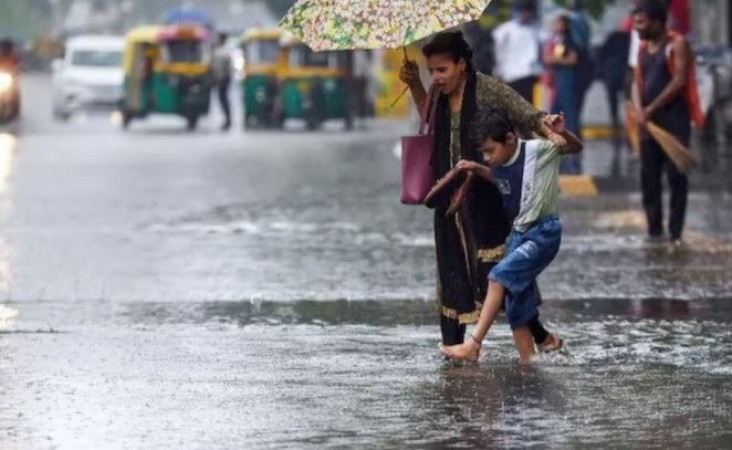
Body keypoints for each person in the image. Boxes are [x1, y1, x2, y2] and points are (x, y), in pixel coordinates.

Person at [398, 31, 564, 353]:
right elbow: (430, 123)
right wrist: (416, 84)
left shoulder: (488, 89)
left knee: (501, 273)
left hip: (487, 196)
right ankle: (454, 350)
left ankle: (540, 336)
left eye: (442, 70)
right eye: (431, 70)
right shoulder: (436, 93)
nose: (436, 77)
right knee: (451, 274)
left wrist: (548, 124)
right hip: (448, 196)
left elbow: (525, 113)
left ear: (462, 64)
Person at [439, 108, 582, 362]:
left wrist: (562, 134)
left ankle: (473, 345)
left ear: (509, 139)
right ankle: (529, 362)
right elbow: (499, 178)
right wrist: (475, 167)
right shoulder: (499, 162)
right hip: (518, 235)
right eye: (483, 153)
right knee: (516, 303)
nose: (488, 158)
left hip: (542, 233)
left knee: (498, 276)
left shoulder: (538, 151)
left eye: (490, 151)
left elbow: (574, 147)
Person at [633, 0, 703, 245]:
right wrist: (640, 110)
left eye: (641, 23)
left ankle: (675, 233)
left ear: (657, 21)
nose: (637, 28)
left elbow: (680, 80)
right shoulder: (643, 48)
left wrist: (650, 109)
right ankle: (654, 232)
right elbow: (638, 81)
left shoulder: (676, 43)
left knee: (676, 176)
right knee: (649, 177)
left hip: (673, 119)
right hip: (648, 124)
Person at [544, 15, 582, 174]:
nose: (554, 25)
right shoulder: (556, 39)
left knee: (568, 115)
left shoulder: (568, 40)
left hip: (567, 81)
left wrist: (554, 60)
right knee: (555, 113)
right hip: (559, 81)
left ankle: (572, 146)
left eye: (558, 23)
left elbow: (573, 60)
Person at [491, 1, 541, 103]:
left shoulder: (535, 30)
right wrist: (498, 71)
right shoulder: (504, 30)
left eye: (527, 12)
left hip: (528, 74)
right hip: (510, 75)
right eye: (522, 12)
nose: (525, 15)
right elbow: (498, 51)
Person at [212, 32, 233, 131]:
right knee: (222, 100)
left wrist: (222, 79)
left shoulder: (225, 51)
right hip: (220, 79)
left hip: (224, 79)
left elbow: (226, 68)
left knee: (224, 100)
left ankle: (228, 120)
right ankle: (227, 120)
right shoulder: (219, 50)